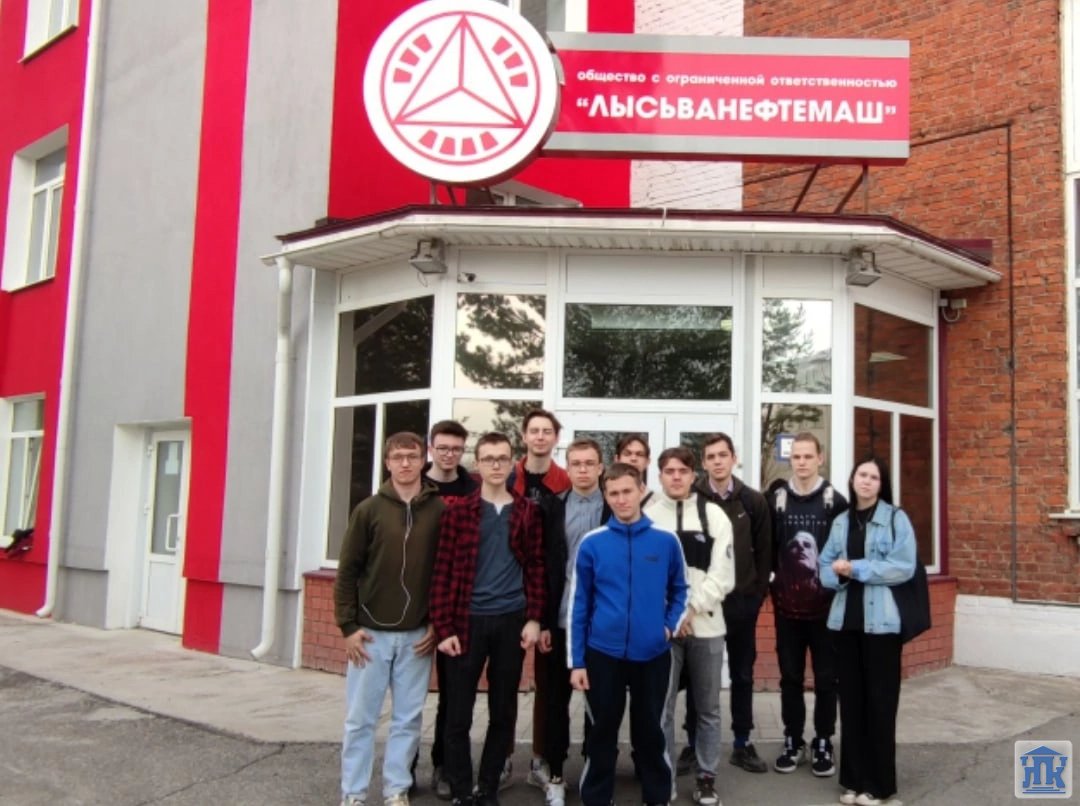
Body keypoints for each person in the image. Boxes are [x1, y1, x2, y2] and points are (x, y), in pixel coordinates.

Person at [430, 432, 546, 806]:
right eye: (488, 458)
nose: (496, 464)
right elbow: (442, 571)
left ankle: (488, 787)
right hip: (466, 622)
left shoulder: (527, 511)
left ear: (512, 463)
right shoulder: (458, 512)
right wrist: (444, 628)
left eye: (502, 458)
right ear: (477, 464)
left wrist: (534, 618)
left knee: (503, 711)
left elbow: (536, 567)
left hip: (511, 621)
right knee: (458, 714)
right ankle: (462, 790)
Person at [334, 432, 445, 806]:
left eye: (412, 456)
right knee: (360, 719)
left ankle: (396, 789)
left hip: (418, 636)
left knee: (408, 719)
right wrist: (348, 627)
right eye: (398, 457)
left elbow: (445, 571)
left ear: (423, 460)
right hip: (370, 636)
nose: (405, 463)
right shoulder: (368, 510)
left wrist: (437, 623)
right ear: (387, 462)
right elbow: (347, 571)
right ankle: (353, 793)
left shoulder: (438, 510)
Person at [569, 463, 689, 806]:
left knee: (650, 732)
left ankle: (657, 797)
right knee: (602, 732)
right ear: (606, 496)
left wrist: (669, 625)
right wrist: (577, 662)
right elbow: (579, 604)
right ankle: (597, 798)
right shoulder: (593, 543)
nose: (621, 499)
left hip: (653, 654)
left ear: (640, 491)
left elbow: (681, 589)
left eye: (627, 491)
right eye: (614, 493)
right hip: (602, 654)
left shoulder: (666, 540)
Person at [820, 457, 916, 806]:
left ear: (881, 484)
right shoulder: (841, 521)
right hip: (846, 623)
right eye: (862, 474)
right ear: (852, 479)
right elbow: (824, 565)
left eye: (874, 477)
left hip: (883, 627)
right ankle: (852, 780)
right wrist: (838, 575)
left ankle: (878, 786)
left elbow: (903, 567)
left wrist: (855, 568)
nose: (867, 481)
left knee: (880, 704)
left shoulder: (895, 518)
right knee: (852, 703)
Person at [645, 446, 735, 806]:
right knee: (662, 708)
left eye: (683, 471)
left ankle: (706, 777)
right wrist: (671, 616)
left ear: (693, 475)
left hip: (707, 627)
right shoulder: (649, 517)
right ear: (660, 476)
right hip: (664, 632)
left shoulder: (714, 515)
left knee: (708, 708)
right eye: (669, 471)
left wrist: (691, 609)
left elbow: (722, 574)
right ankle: (664, 777)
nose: (676, 477)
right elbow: (647, 577)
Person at [534, 438, 610, 806]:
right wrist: (542, 621)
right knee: (554, 703)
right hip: (560, 619)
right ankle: (555, 774)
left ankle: (595, 772)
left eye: (589, 463)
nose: (582, 469)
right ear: (568, 467)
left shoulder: (614, 507)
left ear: (600, 467)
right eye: (576, 463)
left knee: (600, 704)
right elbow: (541, 567)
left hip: (602, 623)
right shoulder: (551, 507)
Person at [768, 432, 848, 777]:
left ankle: (824, 741)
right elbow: (767, 547)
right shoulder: (776, 499)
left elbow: (846, 550)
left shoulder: (835, 501)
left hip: (826, 610)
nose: (801, 462)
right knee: (790, 678)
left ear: (820, 458)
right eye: (796, 457)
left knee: (827, 679)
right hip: (787, 610)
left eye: (807, 456)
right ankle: (793, 740)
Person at [695, 433, 772, 775]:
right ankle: (693, 744)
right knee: (698, 677)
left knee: (742, 674)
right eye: (711, 456)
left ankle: (742, 742)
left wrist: (756, 595)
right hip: (704, 605)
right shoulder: (694, 498)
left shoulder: (753, 501)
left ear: (733, 458)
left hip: (742, 603)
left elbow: (765, 552)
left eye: (723, 455)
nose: (717, 461)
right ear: (703, 463)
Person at [505, 408, 570, 792]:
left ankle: (541, 758)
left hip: (549, 594)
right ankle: (502, 757)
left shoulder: (564, 483)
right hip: (508, 592)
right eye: (534, 431)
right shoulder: (506, 477)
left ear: (555, 438)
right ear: (524, 436)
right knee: (505, 681)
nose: (540, 437)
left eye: (547, 431)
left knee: (548, 686)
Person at [423, 420, 478, 800]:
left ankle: (443, 765)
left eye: (456, 449)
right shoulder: (415, 486)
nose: (449, 454)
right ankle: (403, 769)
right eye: (442, 447)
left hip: (454, 605)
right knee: (409, 697)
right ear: (431, 448)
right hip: (414, 602)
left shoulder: (471, 489)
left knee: (451, 695)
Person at [616, 433, 654, 505]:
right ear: (617, 460)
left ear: (647, 462)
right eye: (627, 454)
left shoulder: (657, 501)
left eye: (639, 454)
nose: (633, 458)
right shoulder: (604, 499)